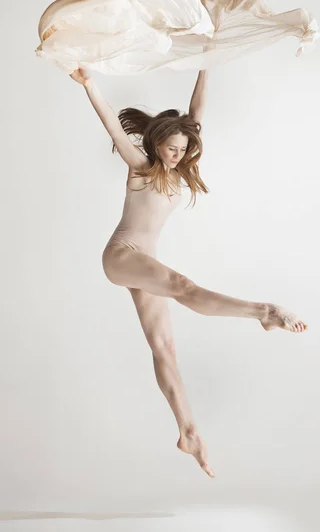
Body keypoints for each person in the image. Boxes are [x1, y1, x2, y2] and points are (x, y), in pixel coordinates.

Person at [70, 66, 307, 478]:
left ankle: (189, 432)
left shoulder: (178, 172)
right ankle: (264, 312)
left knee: (164, 347)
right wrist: (91, 86)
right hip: (122, 256)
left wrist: (206, 65)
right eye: (172, 147)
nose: (178, 154)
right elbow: (112, 126)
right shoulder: (140, 167)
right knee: (182, 285)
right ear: (158, 143)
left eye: (183, 148)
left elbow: (196, 112)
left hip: (142, 264)